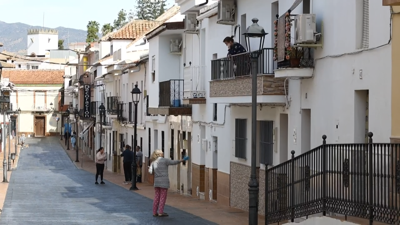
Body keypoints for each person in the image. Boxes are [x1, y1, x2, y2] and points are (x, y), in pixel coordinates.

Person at [149, 150, 189, 217]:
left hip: (156, 182)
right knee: (162, 197)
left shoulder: (154, 162)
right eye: (161, 152)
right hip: (164, 182)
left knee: (156, 197)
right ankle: (160, 212)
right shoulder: (165, 160)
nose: (163, 153)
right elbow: (174, 162)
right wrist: (182, 160)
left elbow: (151, 172)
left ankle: (154, 212)